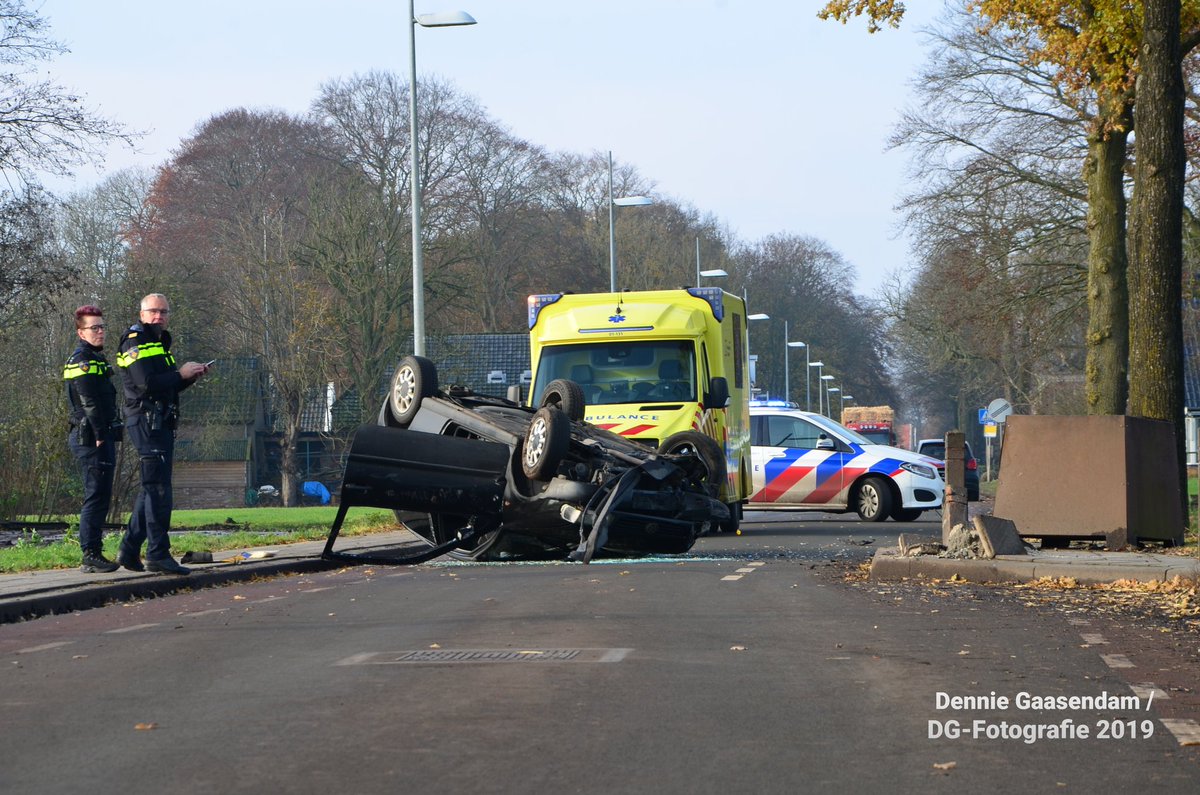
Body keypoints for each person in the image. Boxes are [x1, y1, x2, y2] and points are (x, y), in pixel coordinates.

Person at [115, 293, 210, 575]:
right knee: (158, 490)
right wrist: (180, 375)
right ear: (142, 314)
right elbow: (146, 384)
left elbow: (166, 386)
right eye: (154, 312)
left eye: (164, 312)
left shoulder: (156, 342)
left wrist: (188, 377)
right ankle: (157, 553)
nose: (159, 317)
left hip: (159, 421)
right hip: (146, 421)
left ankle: (130, 548)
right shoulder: (135, 341)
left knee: (151, 488)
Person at [64, 305, 123, 573]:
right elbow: (88, 401)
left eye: (102, 327)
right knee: (96, 495)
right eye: (94, 328)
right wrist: (100, 434)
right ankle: (90, 553)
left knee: (100, 494)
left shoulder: (97, 359)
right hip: (90, 437)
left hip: (99, 434)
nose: (100, 332)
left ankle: (92, 554)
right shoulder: (81, 360)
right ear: (81, 332)